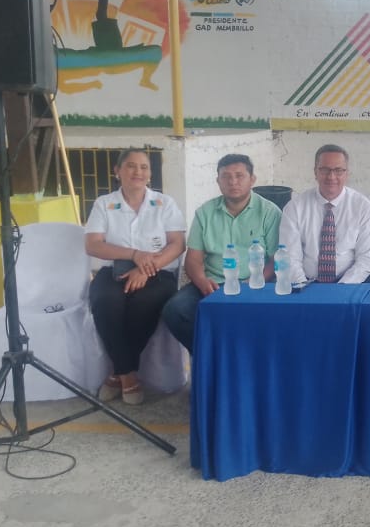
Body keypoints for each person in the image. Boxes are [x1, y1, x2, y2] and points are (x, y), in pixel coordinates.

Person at [84, 148, 186, 405]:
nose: (138, 172)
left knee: (144, 303)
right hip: (113, 270)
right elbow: (93, 245)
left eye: (144, 167)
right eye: (130, 166)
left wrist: (145, 268)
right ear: (117, 171)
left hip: (158, 271)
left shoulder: (164, 203)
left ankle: (116, 374)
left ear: (150, 174)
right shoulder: (104, 204)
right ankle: (128, 375)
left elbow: (177, 244)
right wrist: (134, 254)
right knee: (105, 301)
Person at [161, 153, 281, 353]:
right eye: (226, 176)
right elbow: (193, 260)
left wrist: (256, 280)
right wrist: (202, 282)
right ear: (218, 181)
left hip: (256, 284)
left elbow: (276, 258)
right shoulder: (205, 213)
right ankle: (211, 357)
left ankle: (242, 359)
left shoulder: (269, 212)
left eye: (239, 176)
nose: (233, 182)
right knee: (175, 311)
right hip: (213, 284)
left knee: (271, 319)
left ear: (252, 179)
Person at [279, 144, 370, 284]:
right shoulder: (295, 207)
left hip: (351, 284)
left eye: (338, 170)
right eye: (325, 170)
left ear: (347, 173)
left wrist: (340, 290)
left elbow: (366, 259)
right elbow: (290, 258)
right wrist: (303, 287)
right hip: (306, 282)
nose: (331, 176)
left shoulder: (363, 207)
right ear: (315, 172)